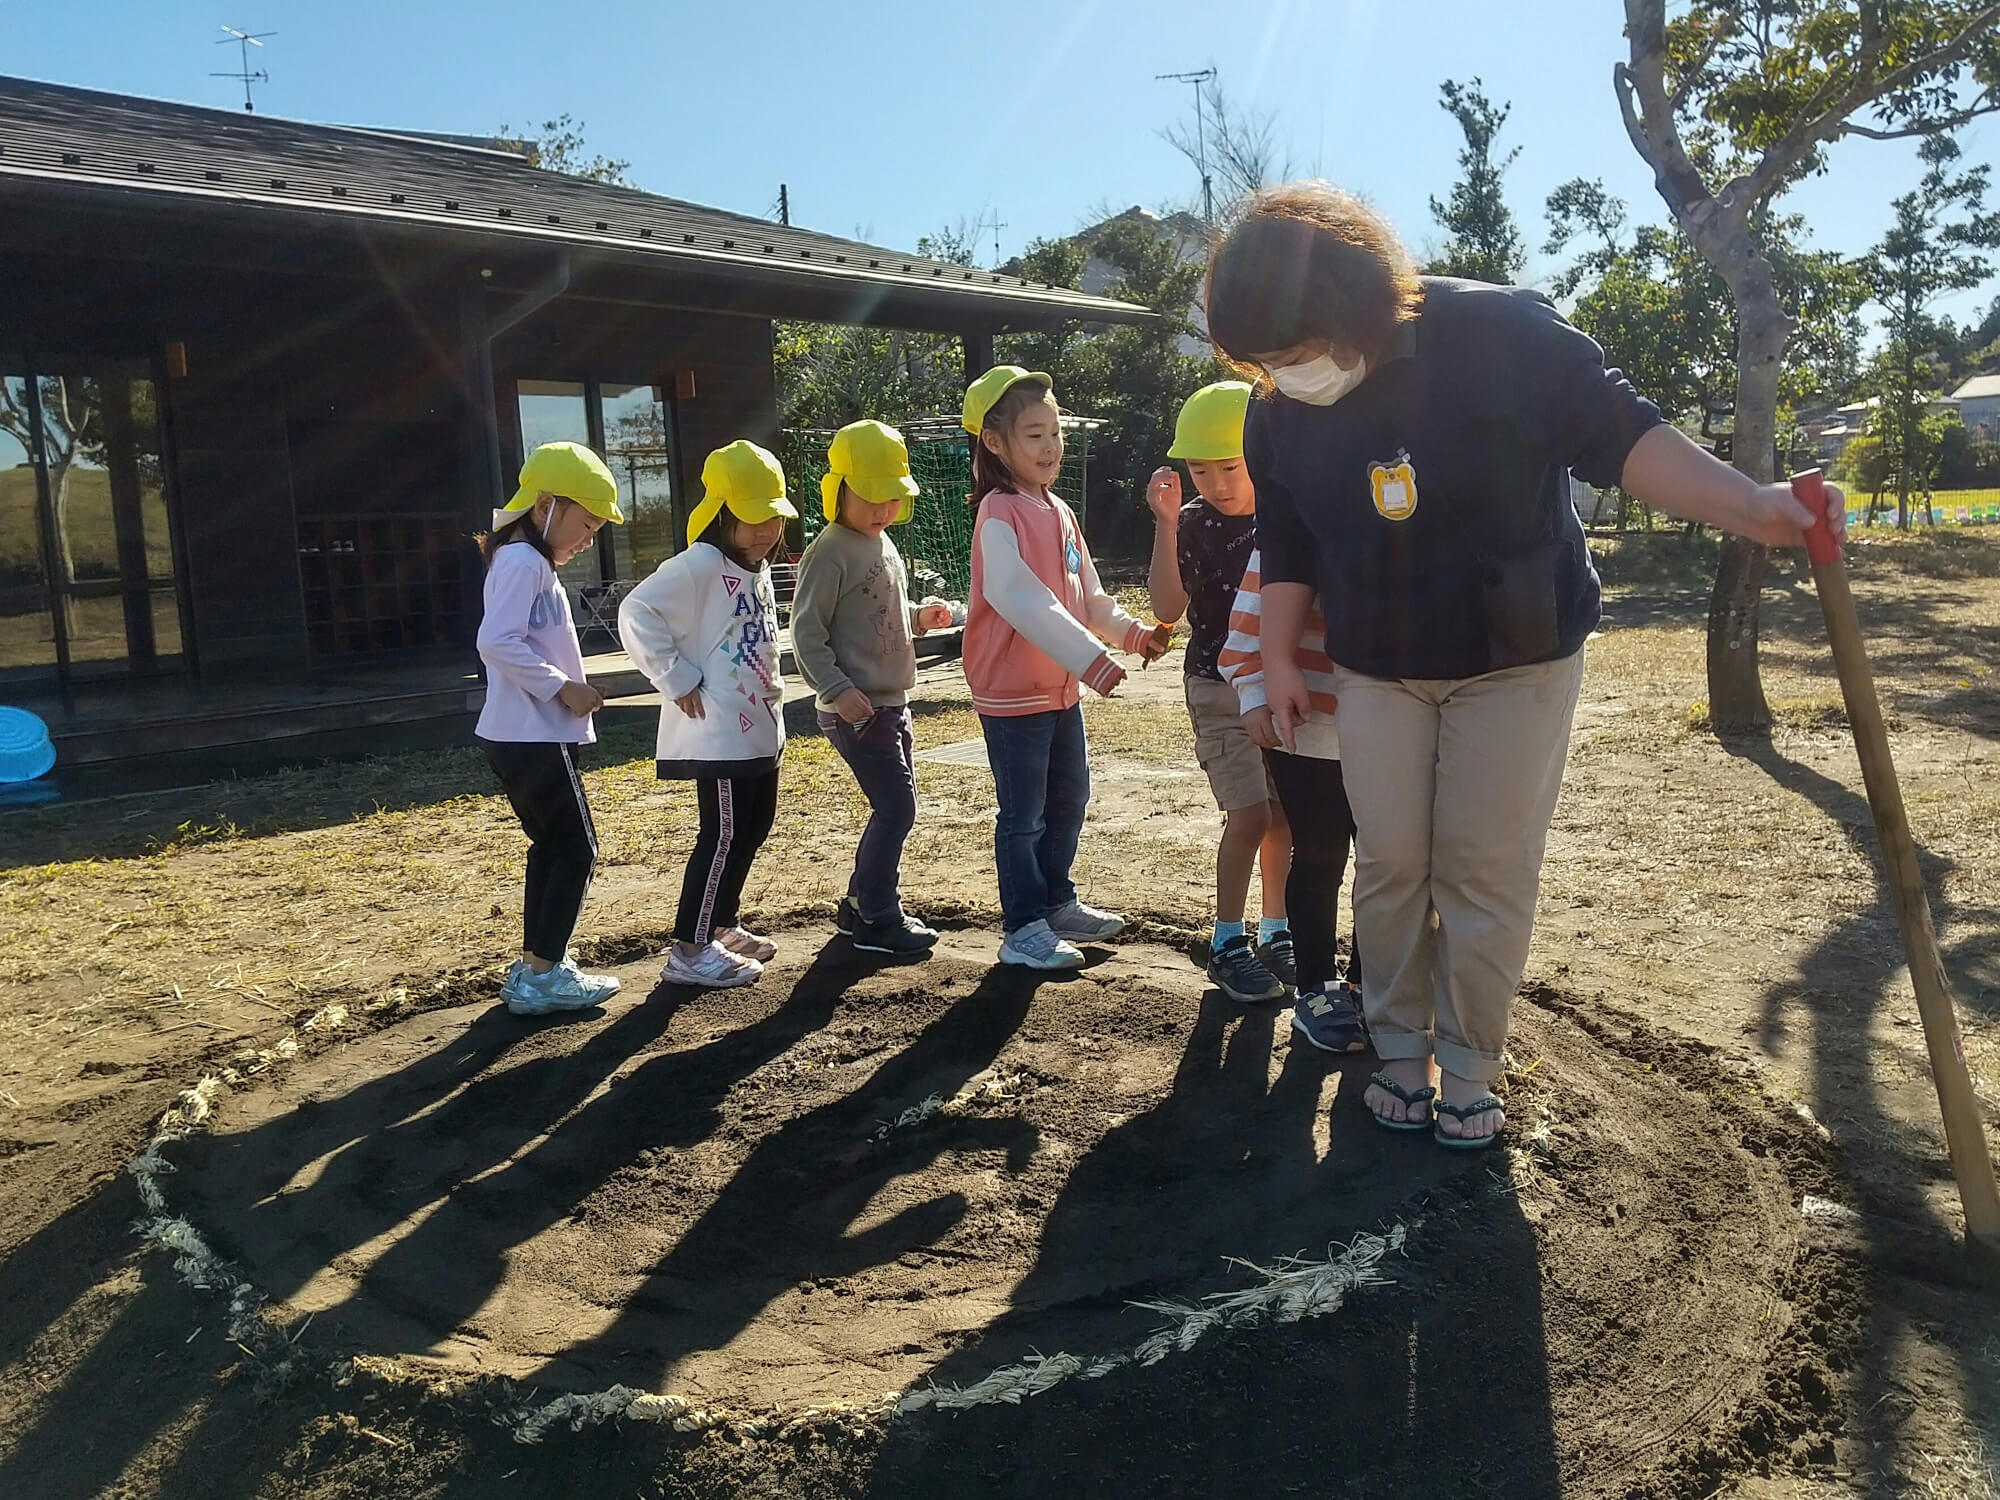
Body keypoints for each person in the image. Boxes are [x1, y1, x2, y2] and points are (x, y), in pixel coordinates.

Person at [1204, 183, 1845, 1149]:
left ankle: (1468, 1066)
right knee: (1391, 866)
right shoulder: (1277, 413)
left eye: (1295, 355)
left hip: (1515, 653)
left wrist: (1754, 509)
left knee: (1480, 866)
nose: (1287, 378)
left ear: (1354, 306)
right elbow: (1289, 537)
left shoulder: (1497, 335)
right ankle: (1398, 1052)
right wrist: (1282, 654)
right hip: (1379, 665)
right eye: (1266, 364)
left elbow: (1620, 435)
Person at [962, 365, 1172, 971]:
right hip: (1012, 693)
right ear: (995, 444)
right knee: (1023, 814)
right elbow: (1022, 598)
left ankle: (1056, 900)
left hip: (1058, 692)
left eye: (1055, 432)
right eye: (1034, 435)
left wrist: (1131, 634)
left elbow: (1086, 596)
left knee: (1069, 798)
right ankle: (1023, 925)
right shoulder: (999, 513)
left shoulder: (1058, 511)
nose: (1051, 446)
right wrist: (1091, 659)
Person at [618, 440, 796, 990]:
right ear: (721, 513)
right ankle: (691, 949)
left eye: (773, 516)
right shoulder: (698, 563)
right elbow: (636, 610)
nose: (764, 530)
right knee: (721, 836)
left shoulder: (756, 567)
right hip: (717, 734)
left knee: (753, 828)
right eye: (750, 518)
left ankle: (720, 923)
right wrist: (674, 677)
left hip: (760, 729)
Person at [1145, 380, 1294, 1004]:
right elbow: (1166, 607)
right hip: (1216, 686)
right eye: (1199, 469)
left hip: (1282, 685)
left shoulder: (1287, 516)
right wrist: (1165, 524)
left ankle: (1276, 928)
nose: (1215, 482)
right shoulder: (1194, 524)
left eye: (1229, 466)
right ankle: (1227, 940)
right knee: (1250, 812)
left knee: (1284, 815)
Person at [791, 419, 959, 956]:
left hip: (893, 702)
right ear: (838, 488)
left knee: (895, 806)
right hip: (856, 707)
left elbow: (876, 616)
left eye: (892, 499)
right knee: (896, 808)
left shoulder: (882, 544)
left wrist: (918, 618)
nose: (882, 510)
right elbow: (805, 631)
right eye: (870, 497)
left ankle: (857, 907)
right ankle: (877, 916)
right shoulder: (830, 550)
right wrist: (836, 689)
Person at [475, 441, 627, 1017]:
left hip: (522, 733)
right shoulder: (523, 561)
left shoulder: (519, 558)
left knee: (552, 846)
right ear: (546, 506)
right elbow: (495, 642)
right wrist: (563, 687)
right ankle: (542, 975)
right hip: (531, 733)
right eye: (586, 523)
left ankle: (537, 965)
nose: (589, 538)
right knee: (576, 848)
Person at [1218, 545, 1365, 1053]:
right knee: (1322, 853)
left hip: (1396, 724)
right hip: (1310, 725)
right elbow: (1246, 622)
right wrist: (1254, 691)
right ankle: (1317, 990)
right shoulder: (1295, 512)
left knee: (1388, 860)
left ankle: (1368, 984)